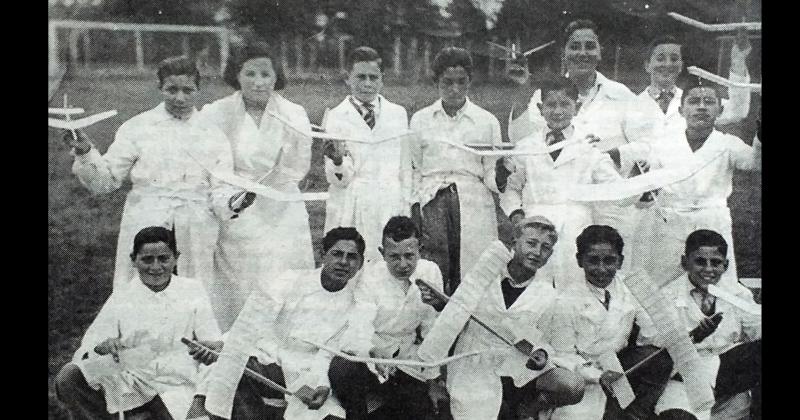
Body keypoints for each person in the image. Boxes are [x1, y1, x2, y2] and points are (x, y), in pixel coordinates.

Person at [61, 56, 237, 295]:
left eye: (188, 90)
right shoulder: (138, 127)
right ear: (160, 88)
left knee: (191, 293)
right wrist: (86, 154)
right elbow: (107, 181)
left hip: (194, 226)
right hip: (146, 218)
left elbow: (222, 188)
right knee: (141, 293)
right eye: (171, 90)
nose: (180, 98)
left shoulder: (213, 134)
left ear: (198, 90)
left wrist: (234, 200)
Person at [192, 227, 374, 420]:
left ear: (360, 263)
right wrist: (224, 346)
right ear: (323, 255)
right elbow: (250, 324)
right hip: (270, 360)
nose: (343, 262)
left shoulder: (357, 304)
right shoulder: (290, 281)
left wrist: (320, 385)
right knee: (226, 369)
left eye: (351, 257)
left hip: (313, 376)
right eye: (337, 254)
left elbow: (328, 353)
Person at [418, 216, 585, 419]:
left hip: (518, 365)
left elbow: (546, 342)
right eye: (531, 243)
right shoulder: (485, 273)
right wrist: (432, 379)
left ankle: (528, 410)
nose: (537, 252)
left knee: (572, 385)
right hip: (474, 361)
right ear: (515, 243)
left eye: (545, 247)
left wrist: (541, 353)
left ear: (550, 254)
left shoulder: (548, 294)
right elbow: (451, 320)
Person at [200, 40, 315, 331]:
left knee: (285, 281)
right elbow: (214, 165)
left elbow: (297, 167)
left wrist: (271, 185)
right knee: (243, 282)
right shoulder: (217, 113)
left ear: (276, 76)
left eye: (266, 74)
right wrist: (236, 196)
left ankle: (285, 351)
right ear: (236, 75)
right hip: (237, 205)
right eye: (250, 74)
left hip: (282, 207)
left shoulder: (294, 113)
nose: (258, 82)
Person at [54, 226, 222, 420]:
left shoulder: (192, 291)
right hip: (132, 381)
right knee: (70, 376)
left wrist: (208, 350)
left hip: (179, 382)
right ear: (133, 260)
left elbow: (214, 344)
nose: (156, 267)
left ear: (176, 257)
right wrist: (103, 346)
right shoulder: (123, 296)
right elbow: (90, 346)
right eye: (147, 259)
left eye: (164, 259)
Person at [627, 79, 761, 288]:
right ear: (681, 110)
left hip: (712, 222)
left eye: (708, 102)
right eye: (694, 101)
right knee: (663, 284)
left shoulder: (727, 143)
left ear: (720, 109)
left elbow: (755, 162)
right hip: (669, 223)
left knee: (718, 286)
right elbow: (645, 183)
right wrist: (640, 177)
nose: (701, 107)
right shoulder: (664, 144)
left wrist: (760, 135)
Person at [496, 76, 625, 288]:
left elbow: (614, 187)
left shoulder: (588, 145)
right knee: (534, 288)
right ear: (540, 108)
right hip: (534, 228)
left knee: (573, 286)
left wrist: (640, 188)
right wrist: (516, 215)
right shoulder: (527, 145)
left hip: (575, 228)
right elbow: (511, 188)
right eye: (551, 105)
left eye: (565, 104)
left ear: (578, 107)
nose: (557, 111)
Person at [540, 225, 673, 420]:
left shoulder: (630, 288)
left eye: (609, 261)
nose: (601, 269)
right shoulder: (565, 300)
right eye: (593, 261)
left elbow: (650, 335)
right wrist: (597, 376)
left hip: (620, 368)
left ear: (620, 262)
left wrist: (690, 334)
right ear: (579, 261)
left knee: (659, 358)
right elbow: (564, 355)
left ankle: (636, 413)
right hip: (584, 377)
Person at [329, 216, 448, 419]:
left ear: (421, 249)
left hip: (407, 361)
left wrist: (433, 381)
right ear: (382, 253)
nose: (403, 264)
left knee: (428, 410)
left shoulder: (430, 271)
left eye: (410, 256)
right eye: (394, 257)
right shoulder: (369, 277)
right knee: (343, 369)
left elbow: (432, 330)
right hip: (371, 355)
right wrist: (371, 352)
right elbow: (360, 326)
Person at [409, 46, 502, 295]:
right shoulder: (421, 119)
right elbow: (416, 168)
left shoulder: (487, 121)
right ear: (437, 82)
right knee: (434, 271)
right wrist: (416, 206)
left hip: (472, 203)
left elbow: (491, 174)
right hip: (432, 200)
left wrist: (502, 176)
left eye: (462, 82)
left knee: (472, 270)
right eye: (447, 82)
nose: (455, 89)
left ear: (470, 80)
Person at [654, 230, 761, 420]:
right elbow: (655, 351)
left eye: (716, 263)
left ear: (726, 265)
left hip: (729, 376)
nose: (708, 269)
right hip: (685, 379)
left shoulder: (736, 293)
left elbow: (757, 329)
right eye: (700, 262)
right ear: (685, 262)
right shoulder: (666, 297)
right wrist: (693, 337)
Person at [323, 47, 412, 264]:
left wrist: (406, 206)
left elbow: (405, 166)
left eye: (373, 77)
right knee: (353, 264)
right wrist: (337, 160)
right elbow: (336, 179)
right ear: (348, 79)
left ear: (382, 80)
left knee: (388, 263)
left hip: (390, 201)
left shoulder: (397, 114)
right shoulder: (335, 116)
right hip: (352, 204)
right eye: (360, 77)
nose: (367, 83)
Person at [621, 30, 753, 146]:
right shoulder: (629, 106)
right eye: (660, 58)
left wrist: (738, 62)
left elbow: (737, 111)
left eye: (674, 59)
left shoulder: (695, 101)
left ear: (681, 66)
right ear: (647, 66)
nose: (667, 64)